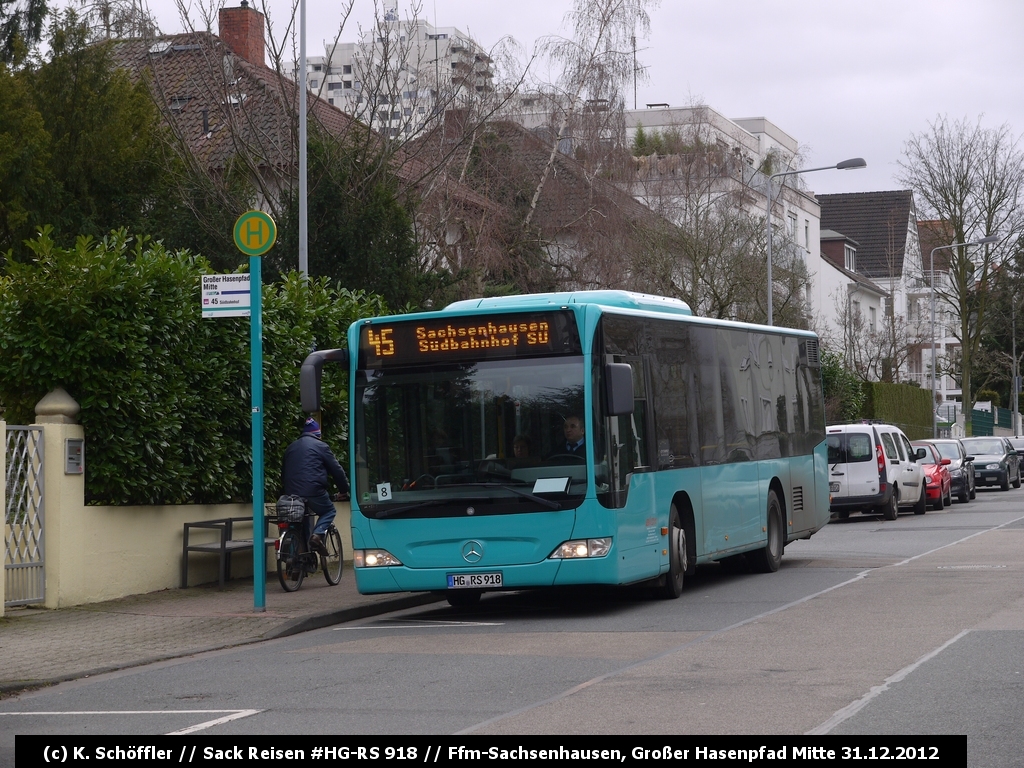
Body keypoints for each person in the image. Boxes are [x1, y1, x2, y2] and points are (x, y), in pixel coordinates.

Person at [282, 417, 350, 556]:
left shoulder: (291, 447)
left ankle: (297, 562)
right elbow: (336, 471)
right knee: (329, 511)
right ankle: (317, 535)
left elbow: (283, 472)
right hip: (312, 491)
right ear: (318, 434)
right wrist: (344, 490)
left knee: (300, 519)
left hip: (291, 493)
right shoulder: (321, 446)